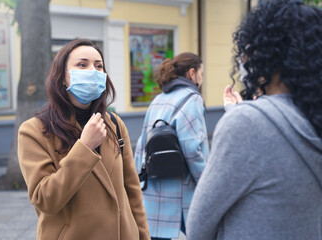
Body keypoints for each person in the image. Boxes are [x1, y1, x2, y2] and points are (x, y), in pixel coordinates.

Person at [187, 1, 322, 239]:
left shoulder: (246, 124)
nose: (245, 57)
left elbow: (198, 225)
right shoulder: (312, 119)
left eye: (252, 48)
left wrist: (243, 116)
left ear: (272, 54)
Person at [18, 39, 150, 240]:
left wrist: (143, 235)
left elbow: (132, 192)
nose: (93, 71)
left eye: (98, 66)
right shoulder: (34, 131)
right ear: (62, 77)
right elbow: (45, 199)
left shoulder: (114, 123)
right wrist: (85, 147)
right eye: (82, 64)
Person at [134, 52, 209, 240]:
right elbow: (192, 149)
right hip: (180, 189)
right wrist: (206, 182)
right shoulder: (192, 98)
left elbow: (143, 143)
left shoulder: (159, 99)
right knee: (206, 232)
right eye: (201, 73)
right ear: (192, 73)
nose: (202, 78)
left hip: (154, 185)